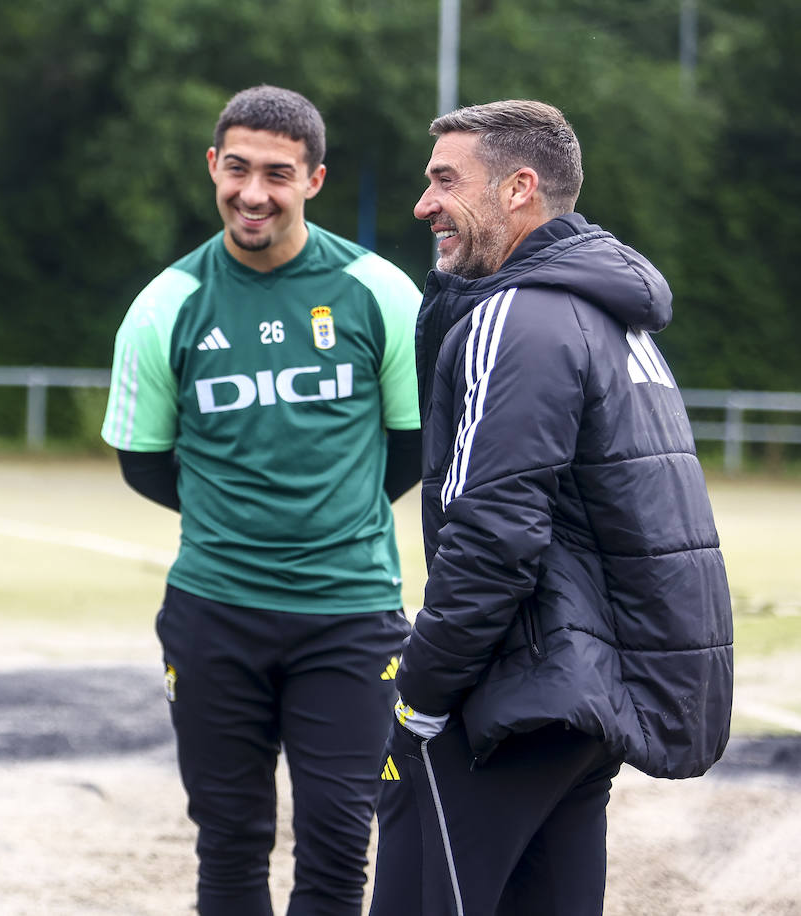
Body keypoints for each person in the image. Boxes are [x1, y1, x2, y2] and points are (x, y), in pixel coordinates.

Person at [369, 100, 734, 916]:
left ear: (520, 189)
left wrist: (421, 693)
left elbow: (493, 534)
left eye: (444, 180)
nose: (425, 205)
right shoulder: (611, 316)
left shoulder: (515, 315)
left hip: (511, 698)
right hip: (582, 702)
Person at [101, 85, 424, 915]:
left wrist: (329, 518)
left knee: (338, 842)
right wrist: (236, 520)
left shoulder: (380, 292)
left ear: (314, 179)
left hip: (351, 617)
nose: (253, 193)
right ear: (213, 166)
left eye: (277, 174)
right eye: (237, 169)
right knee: (230, 844)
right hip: (215, 613)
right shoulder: (165, 305)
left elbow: (413, 446)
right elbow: (144, 461)